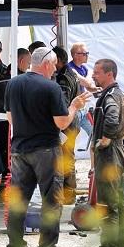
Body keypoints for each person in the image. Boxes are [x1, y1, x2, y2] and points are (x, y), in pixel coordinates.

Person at [4, 47, 91, 247]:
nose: (55, 68)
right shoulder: (51, 87)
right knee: (51, 202)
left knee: (18, 202)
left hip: (20, 150)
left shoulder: (13, 84)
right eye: (53, 64)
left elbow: (10, 118)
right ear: (45, 63)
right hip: (46, 151)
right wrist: (74, 106)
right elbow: (62, 122)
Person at [82, 59, 124, 247]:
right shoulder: (122, 95)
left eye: (97, 72)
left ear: (109, 74)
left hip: (110, 155)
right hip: (120, 152)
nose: (93, 75)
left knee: (107, 204)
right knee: (118, 203)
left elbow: (112, 119)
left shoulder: (110, 97)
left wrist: (105, 140)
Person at [52, 46, 82, 204]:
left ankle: (68, 195)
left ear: (58, 60)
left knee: (66, 158)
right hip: (71, 123)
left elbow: (62, 105)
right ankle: (67, 194)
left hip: (67, 125)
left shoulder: (63, 78)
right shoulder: (71, 73)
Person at [68, 42, 99, 139]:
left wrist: (97, 89)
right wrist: (91, 82)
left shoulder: (84, 69)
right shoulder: (69, 69)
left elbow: (88, 86)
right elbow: (87, 83)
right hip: (74, 111)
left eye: (87, 53)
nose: (87, 56)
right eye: (85, 54)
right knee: (69, 139)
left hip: (83, 110)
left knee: (95, 135)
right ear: (75, 55)